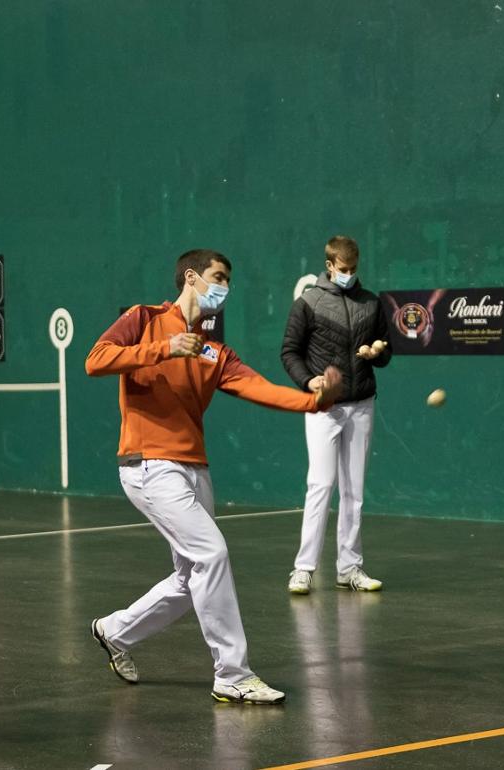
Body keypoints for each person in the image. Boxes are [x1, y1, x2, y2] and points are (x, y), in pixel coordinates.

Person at [85, 248, 342, 705]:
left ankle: (114, 631)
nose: (224, 288)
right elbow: (96, 359)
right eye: (218, 277)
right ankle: (232, 674)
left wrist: (314, 399)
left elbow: (259, 387)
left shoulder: (212, 350)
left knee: (190, 577)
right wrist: (162, 348)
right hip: (149, 464)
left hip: (194, 468)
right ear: (191, 277)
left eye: (228, 281)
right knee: (212, 552)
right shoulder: (142, 318)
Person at [281, 236, 392, 595]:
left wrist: (377, 351)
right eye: (343, 270)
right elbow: (289, 352)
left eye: (354, 269)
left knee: (354, 491)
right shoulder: (308, 302)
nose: (349, 275)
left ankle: (350, 568)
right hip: (324, 406)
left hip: (362, 403)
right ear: (329, 266)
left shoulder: (371, 303)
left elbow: (387, 350)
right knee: (320, 485)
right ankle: (303, 569)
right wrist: (307, 379)